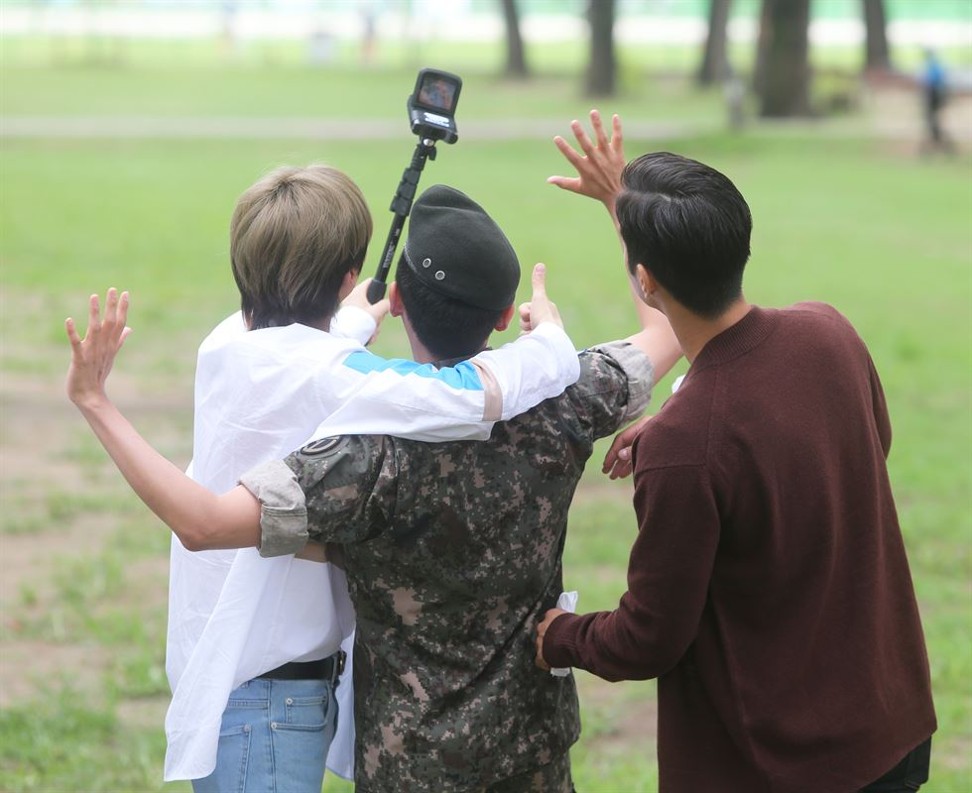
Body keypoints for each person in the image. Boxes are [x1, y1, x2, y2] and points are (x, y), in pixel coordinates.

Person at [65, 182, 682, 792]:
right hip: (531, 747)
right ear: (500, 313)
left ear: (399, 301)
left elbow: (304, 387)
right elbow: (665, 332)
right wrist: (599, 242)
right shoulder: (556, 405)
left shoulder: (291, 397)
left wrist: (95, 400)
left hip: (394, 756)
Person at [146, 164, 583, 791]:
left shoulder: (223, 345)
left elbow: (297, 356)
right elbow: (469, 395)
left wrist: (346, 322)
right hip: (273, 698)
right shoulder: (342, 378)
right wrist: (551, 345)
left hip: (228, 676)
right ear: (350, 277)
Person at [535, 111, 938, 792]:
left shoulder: (686, 445)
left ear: (645, 280)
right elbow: (869, 442)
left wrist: (559, 635)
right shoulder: (828, 331)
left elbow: (649, 637)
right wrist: (621, 206)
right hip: (891, 731)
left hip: (786, 767)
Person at [920, 47, 953, 155]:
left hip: (934, 97)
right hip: (935, 97)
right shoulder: (934, 65)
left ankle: (940, 145)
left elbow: (930, 83)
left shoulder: (932, 66)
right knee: (934, 123)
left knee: (934, 123)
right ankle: (939, 144)